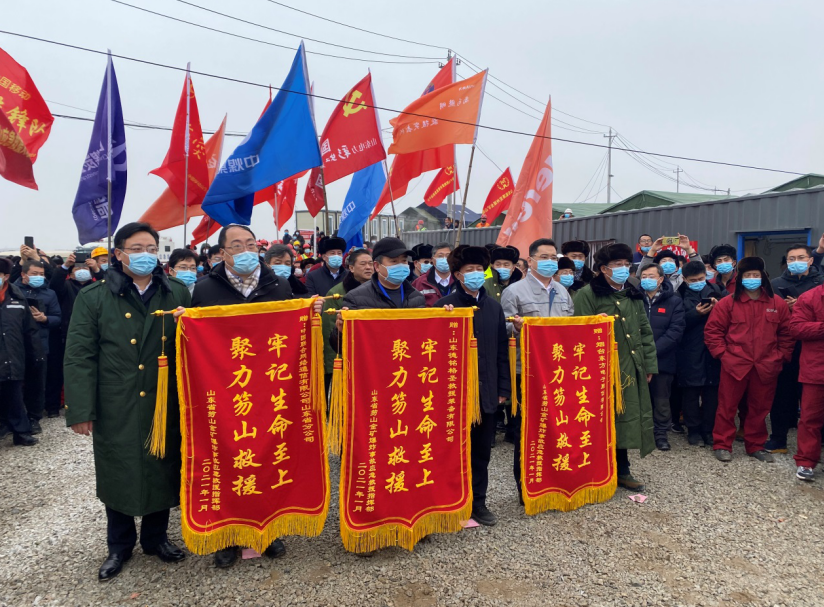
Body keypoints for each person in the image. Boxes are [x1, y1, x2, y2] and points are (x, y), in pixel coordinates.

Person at [64, 222, 191, 581]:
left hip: (163, 400)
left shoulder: (176, 293)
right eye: (136, 249)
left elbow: (196, 345)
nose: (145, 255)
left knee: (160, 465)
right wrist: (81, 409)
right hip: (116, 401)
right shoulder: (94, 297)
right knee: (117, 469)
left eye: (151, 249)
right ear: (118, 254)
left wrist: (191, 327)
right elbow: (79, 355)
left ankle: (156, 538)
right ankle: (119, 545)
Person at [191, 224, 290, 567]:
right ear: (222, 253)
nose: (246, 250)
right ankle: (228, 535)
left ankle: (267, 530)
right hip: (226, 389)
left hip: (269, 387)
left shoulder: (278, 285)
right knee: (228, 458)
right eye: (236, 245)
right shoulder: (205, 289)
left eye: (250, 244)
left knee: (267, 457)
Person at [573, 243, 657, 491]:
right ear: (603, 269)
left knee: (625, 418)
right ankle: (595, 469)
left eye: (626, 264)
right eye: (617, 265)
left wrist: (648, 365)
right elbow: (578, 332)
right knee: (597, 420)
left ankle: (622, 469)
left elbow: (644, 331)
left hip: (630, 367)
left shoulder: (632, 292)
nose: (623, 269)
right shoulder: (588, 294)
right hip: (599, 370)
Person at [437, 246, 509, 526]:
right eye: (470, 270)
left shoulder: (494, 307)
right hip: (454, 393)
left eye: (480, 270)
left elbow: (502, 351)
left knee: (481, 452)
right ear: (457, 274)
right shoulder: (444, 306)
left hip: (487, 391)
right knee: (450, 451)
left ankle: (478, 502)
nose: (476, 274)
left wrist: (503, 389)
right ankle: (449, 501)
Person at [501, 238, 574, 497]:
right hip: (526, 371)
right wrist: (515, 327)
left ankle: (554, 478)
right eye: (544, 257)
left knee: (557, 425)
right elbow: (503, 328)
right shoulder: (515, 291)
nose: (550, 262)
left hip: (557, 372)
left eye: (553, 258)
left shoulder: (563, 291)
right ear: (530, 261)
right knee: (527, 429)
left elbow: (571, 326)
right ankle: (527, 486)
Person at [704, 256, 794, 463]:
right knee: (727, 407)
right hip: (734, 365)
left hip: (766, 366)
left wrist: (780, 357)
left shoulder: (777, 303)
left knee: (760, 408)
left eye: (755, 275)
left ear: (763, 277)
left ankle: (755, 445)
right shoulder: (727, 303)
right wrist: (724, 355)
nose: (752, 278)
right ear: (741, 278)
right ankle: (722, 444)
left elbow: (787, 334)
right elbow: (713, 332)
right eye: (747, 275)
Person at [765, 244, 824, 452]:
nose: (796, 262)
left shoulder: (819, 284)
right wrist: (784, 308)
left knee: (812, 399)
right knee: (781, 394)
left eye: (801, 258)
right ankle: (778, 438)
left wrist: (800, 307)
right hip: (785, 345)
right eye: (791, 259)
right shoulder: (775, 284)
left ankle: (817, 441)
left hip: (813, 349)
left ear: (811, 260)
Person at [676, 260, 726, 446]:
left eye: (701, 278)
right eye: (693, 280)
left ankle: (709, 430)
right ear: (684, 279)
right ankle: (693, 430)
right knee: (690, 393)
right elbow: (676, 323)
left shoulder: (717, 291)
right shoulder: (679, 295)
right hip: (689, 350)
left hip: (713, 350)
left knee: (712, 394)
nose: (698, 282)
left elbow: (731, 314)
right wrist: (695, 314)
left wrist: (718, 308)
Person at [638, 263, 685, 451]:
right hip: (637, 358)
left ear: (660, 279)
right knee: (639, 398)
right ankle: (641, 433)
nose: (646, 280)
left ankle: (660, 434)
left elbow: (676, 330)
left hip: (663, 359)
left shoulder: (674, 301)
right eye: (643, 276)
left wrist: (651, 351)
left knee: (661, 399)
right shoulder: (634, 298)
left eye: (651, 276)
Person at [0, 256, 43, 446]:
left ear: (6, 276)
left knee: (14, 396)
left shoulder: (17, 298)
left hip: (13, 354)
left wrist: (36, 354)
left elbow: (29, 329)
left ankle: (21, 432)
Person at [15, 259, 61, 434]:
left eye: (41, 274)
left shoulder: (50, 293)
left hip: (40, 344)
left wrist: (45, 319)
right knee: (15, 385)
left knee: (36, 384)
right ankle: (13, 419)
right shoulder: (13, 291)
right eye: (34, 274)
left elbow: (57, 317)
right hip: (15, 345)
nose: (38, 277)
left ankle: (34, 418)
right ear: (23, 274)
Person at [47, 254, 96, 417]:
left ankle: (88, 404)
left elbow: (109, 283)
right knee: (57, 372)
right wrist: (65, 266)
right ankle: (53, 406)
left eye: (85, 268)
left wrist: (97, 269)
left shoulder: (96, 286)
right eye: (78, 268)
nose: (82, 270)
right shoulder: (65, 285)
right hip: (65, 334)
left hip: (92, 334)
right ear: (71, 272)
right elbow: (54, 285)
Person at [322, 249, 374, 393]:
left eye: (370, 264)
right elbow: (329, 331)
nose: (368, 267)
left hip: (373, 357)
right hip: (348, 358)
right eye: (363, 264)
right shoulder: (336, 293)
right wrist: (333, 366)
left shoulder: (381, 290)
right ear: (351, 268)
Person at [789, 283, 824, 481]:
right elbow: (796, 328)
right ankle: (806, 462)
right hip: (816, 369)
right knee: (810, 418)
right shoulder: (809, 297)